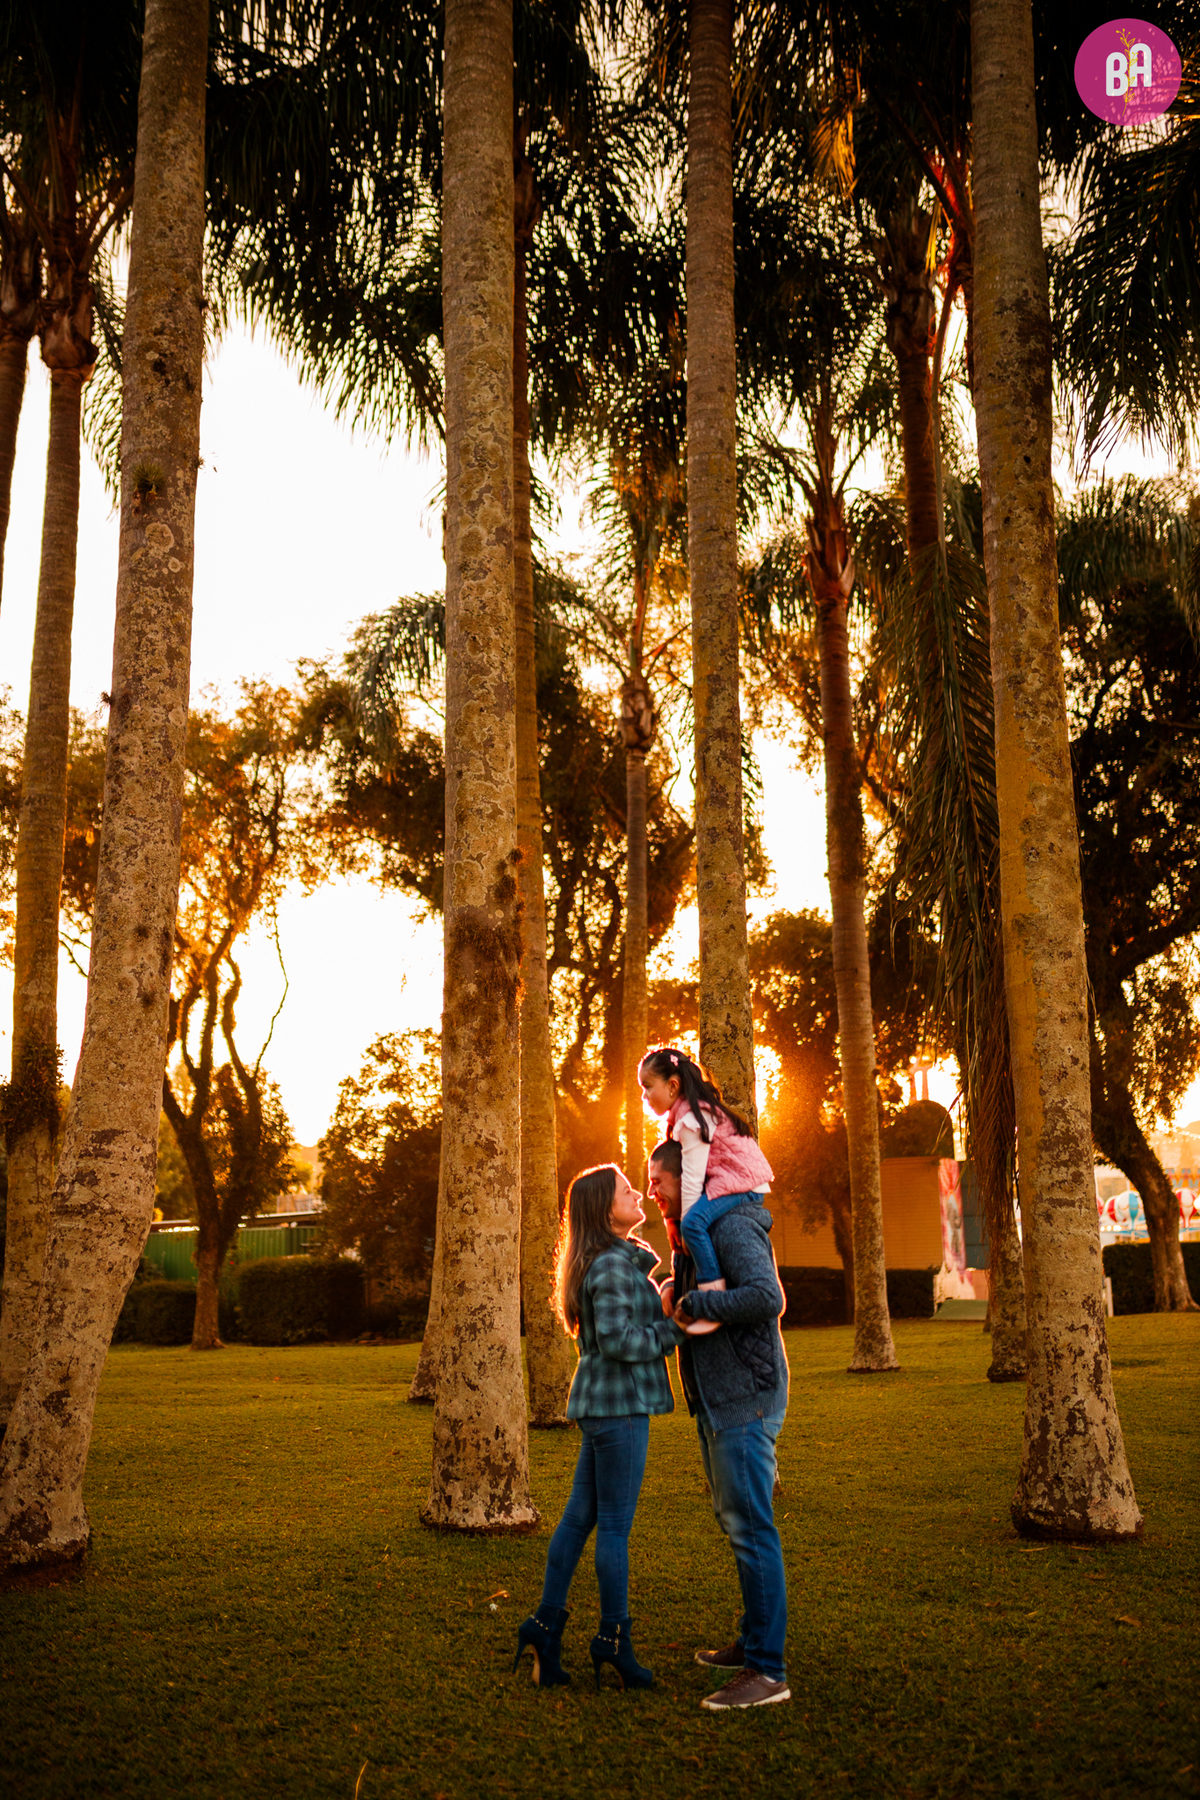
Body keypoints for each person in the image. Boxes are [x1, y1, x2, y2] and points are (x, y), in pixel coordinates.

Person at [513, 1163, 685, 1692]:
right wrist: (672, 1328)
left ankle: (544, 1627)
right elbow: (618, 1340)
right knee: (612, 1527)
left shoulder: (610, 1261)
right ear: (603, 1210)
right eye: (626, 1191)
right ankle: (613, 1640)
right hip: (619, 1408)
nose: (638, 1194)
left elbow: (617, 1327)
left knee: (578, 1520)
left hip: (602, 1407)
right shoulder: (610, 1266)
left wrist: (657, 1302)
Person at [646, 1137, 792, 1711]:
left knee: (752, 1527)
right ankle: (754, 1642)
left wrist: (695, 1306)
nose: (653, 1191)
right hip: (717, 1399)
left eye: (658, 1180)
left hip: (746, 1398)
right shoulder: (691, 1237)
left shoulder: (731, 1226)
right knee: (736, 1523)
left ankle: (768, 1673)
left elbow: (765, 1297)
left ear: (687, 1180)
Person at [639, 1045, 774, 1335]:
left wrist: (684, 1223)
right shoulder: (685, 1115)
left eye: (648, 1087)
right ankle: (708, 1293)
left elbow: (691, 1178)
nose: (644, 1097)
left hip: (742, 1184)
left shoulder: (691, 1118)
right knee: (690, 1223)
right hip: (734, 1182)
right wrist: (672, 1222)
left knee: (695, 1222)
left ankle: (712, 1299)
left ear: (673, 1085)